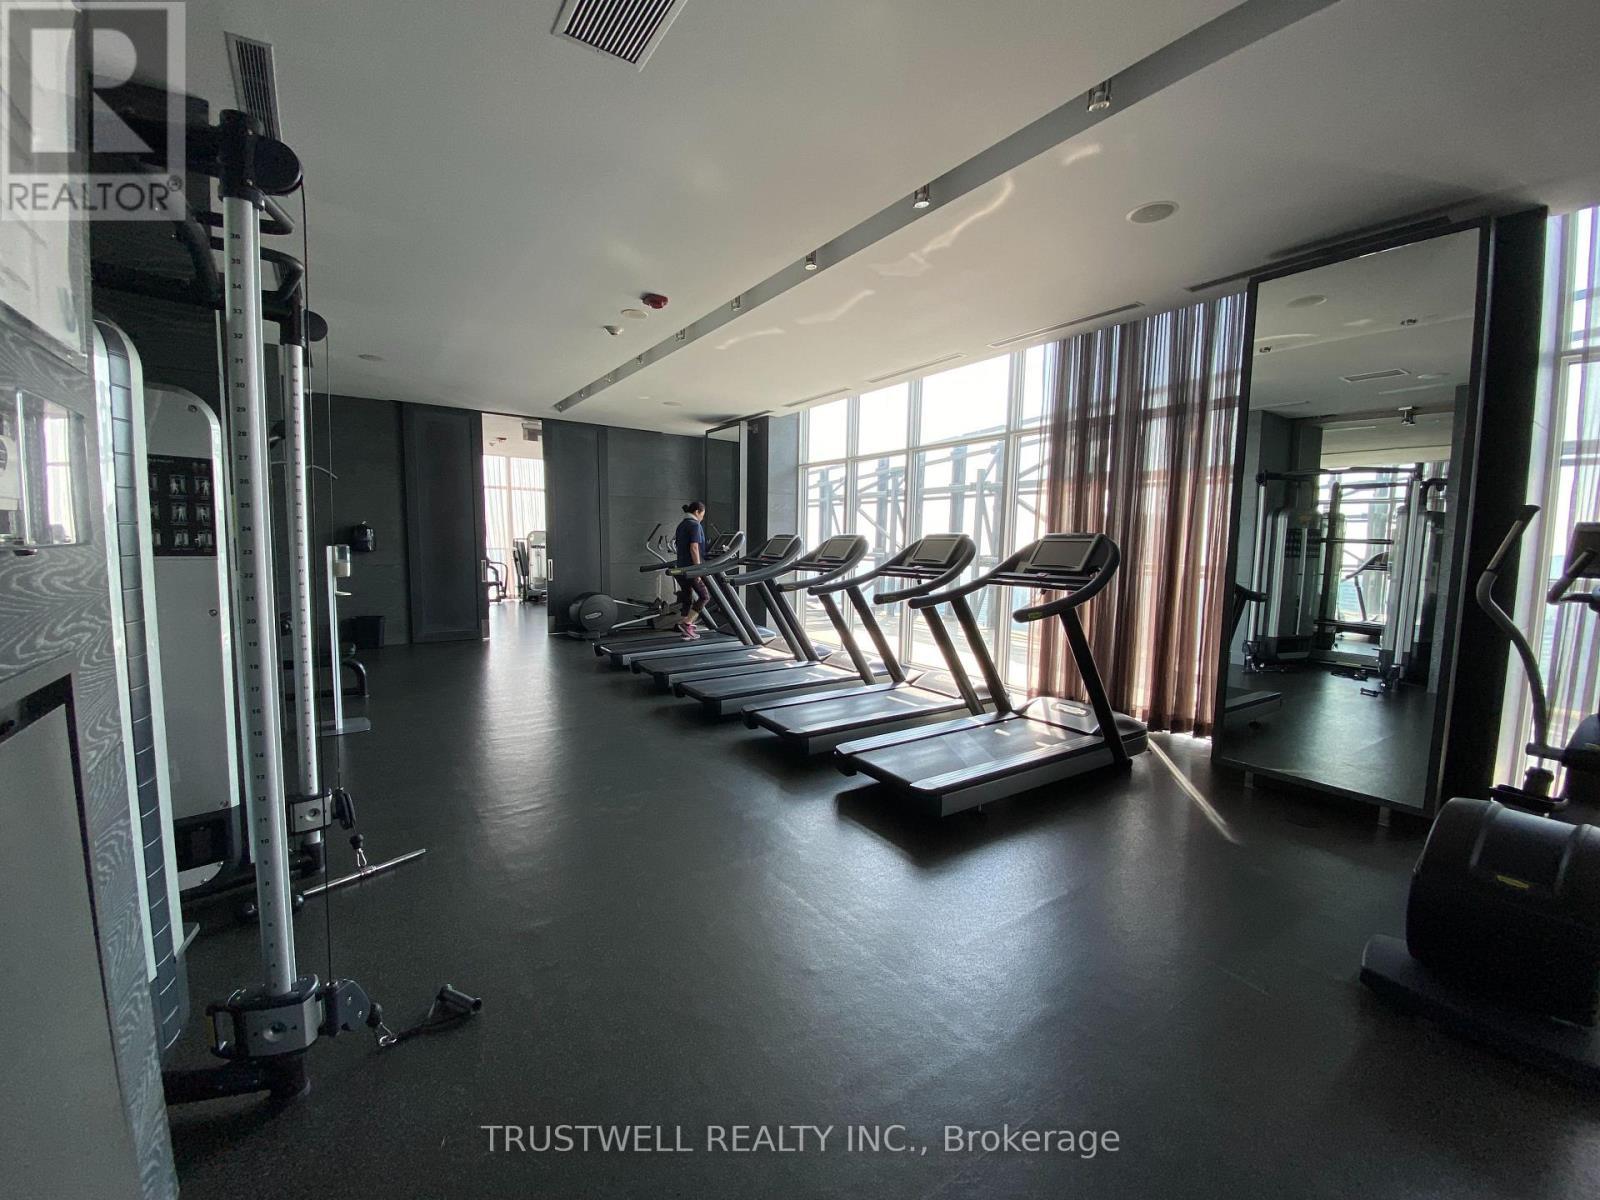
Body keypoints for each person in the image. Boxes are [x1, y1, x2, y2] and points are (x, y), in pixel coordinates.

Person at [673, 501, 711, 639]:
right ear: (697, 512)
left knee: (687, 597)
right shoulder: (695, 525)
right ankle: (687, 623)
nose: (702, 517)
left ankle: (683, 627)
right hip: (691, 568)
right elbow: (694, 547)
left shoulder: (681, 525)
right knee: (704, 596)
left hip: (681, 567)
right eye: (702, 514)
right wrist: (698, 569)